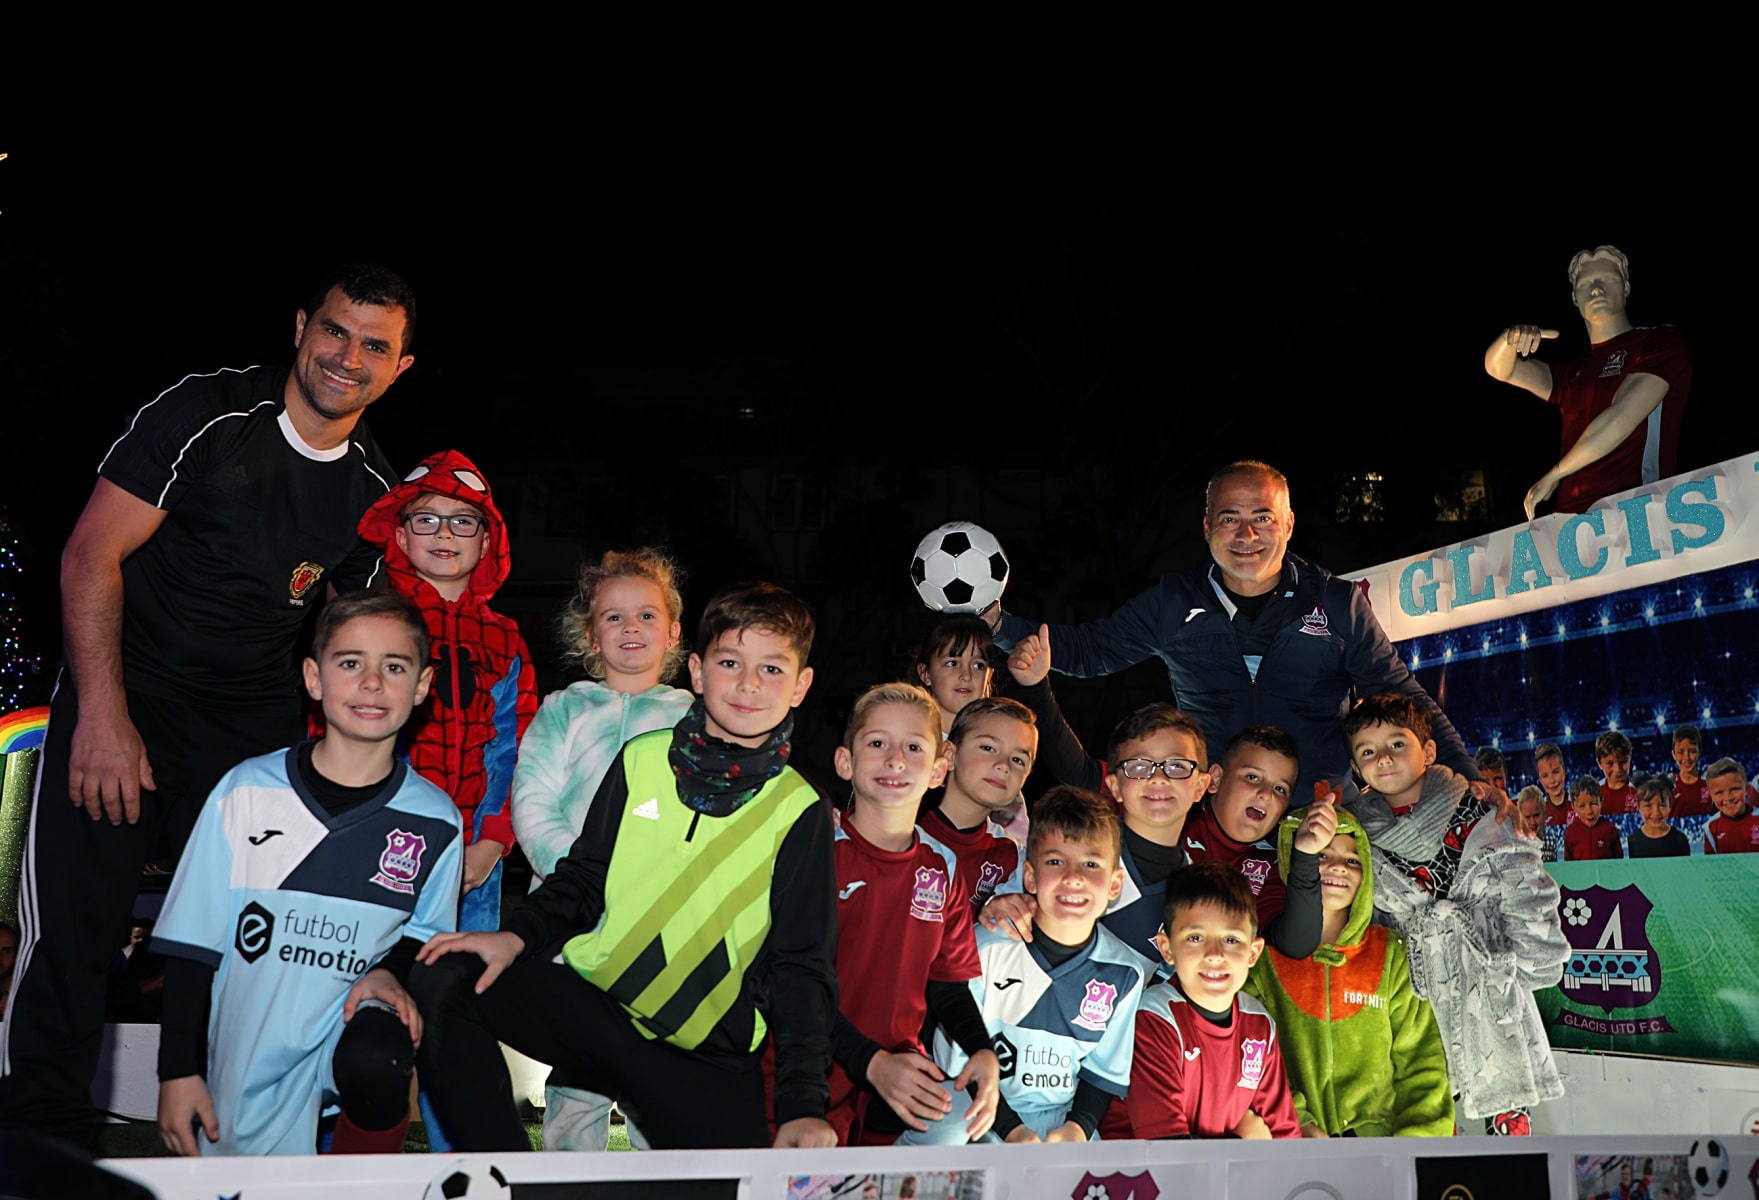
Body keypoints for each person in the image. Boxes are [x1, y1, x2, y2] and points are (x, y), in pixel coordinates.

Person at [0, 264, 414, 1144]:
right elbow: (88, 556)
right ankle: (38, 1147)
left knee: (246, 943)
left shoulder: (373, 492)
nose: (348, 357)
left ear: (398, 368)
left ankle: (238, 1137)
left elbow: (349, 641)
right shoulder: (207, 413)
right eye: (335, 331)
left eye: (374, 346)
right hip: (127, 695)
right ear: (300, 327)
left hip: (248, 734)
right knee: (75, 933)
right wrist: (103, 717)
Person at [407, 582, 838, 1151]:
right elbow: (585, 877)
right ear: (698, 672)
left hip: (701, 1054)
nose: (749, 683)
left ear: (801, 686)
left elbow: (802, 966)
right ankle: (509, 1177)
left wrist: (804, 1105)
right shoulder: (642, 758)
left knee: (719, 1188)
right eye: (730, 662)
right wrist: (513, 937)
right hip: (598, 1013)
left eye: (773, 669)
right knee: (444, 975)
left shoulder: (801, 808)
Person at [152, 591, 463, 1155]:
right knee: (237, 1176)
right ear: (314, 678)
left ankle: (360, 1185)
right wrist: (176, 1069)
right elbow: (191, 944)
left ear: (422, 686)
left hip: (351, 1019)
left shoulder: (436, 818)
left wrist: (388, 972)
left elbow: (424, 935)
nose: (372, 683)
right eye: (351, 663)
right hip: (255, 1034)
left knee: (379, 1057)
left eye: (395, 667)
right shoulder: (247, 791)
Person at [985, 461, 1477, 796]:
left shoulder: (1338, 604)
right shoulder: (1172, 603)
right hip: (1218, 824)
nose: (1247, 535)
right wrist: (1000, 624)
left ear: (1288, 524)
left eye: (1263, 518)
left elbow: (1408, 700)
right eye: (1229, 519)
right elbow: (1088, 650)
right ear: (1206, 527)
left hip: (1323, 821)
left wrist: (1471, 780)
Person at [508, 546, 694, 1151]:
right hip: (572, 920)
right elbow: (532, 799)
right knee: (578, 1066)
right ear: (590, 634)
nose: (630, 627)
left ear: (673, 633)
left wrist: (652, 886)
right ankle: (568, 1183)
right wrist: (578, 880)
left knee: (655, 1065)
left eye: (647, 615)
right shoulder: (564, 709)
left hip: (658, 919)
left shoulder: (694, 718)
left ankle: (664, 1183)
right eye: (613, 617)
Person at [1340, 695, 1568, 1136]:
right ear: (1355, 767)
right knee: (1429, 1099)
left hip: (1487, 979)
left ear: (1428, 751)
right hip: (1416, 987)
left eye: (1397, 744)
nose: (1383, 758)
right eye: (1368, 751)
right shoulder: (1357, 832)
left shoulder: (1483, 809)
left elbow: (1523, 883)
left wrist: (1535, 956)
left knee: (1504, 1104)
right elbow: (1367, 916)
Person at [899, 787, 1149, 1145]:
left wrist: (1077, 1129)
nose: (1073, 877)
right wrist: (1012, 1132)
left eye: (1091, 864)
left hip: (1060, 1123)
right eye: (1056, 862)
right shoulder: (985, 949)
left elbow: (1102, 1073)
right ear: (1030, 877)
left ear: (1115, 884)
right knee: (948, 1132)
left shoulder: (1124, 972)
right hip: (975, 1109)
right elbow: (962, 1066)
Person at [357, 450, 537, 932]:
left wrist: (493, 841)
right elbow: (339, 734)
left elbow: (516, 746)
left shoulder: (506, 638)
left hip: (472, 853)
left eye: (463, 521)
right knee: (370, 963)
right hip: (379, 837)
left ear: (486, 541)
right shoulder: (374, 622)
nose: (444, 533)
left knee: (461, 970)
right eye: (426, 519)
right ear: (401, 536)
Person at [817, 683, 999, 1145]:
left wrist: (981, 1049)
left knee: (956, 1120)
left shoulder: (942, 867)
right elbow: (790, 986)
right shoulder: (818, 854)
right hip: (810, 1072)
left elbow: (947, 983)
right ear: (845, 762)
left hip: (896, 1077)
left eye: (914, 747)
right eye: (877, 743)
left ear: (939, 770)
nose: (895, 760)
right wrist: (872, 1062)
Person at [1245, 806, 1452, 1138]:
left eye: (1353, 860)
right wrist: (1298, 1122)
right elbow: (1250, 1061)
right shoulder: (1261, 960)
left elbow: (1423, 1062)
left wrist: (1411, 1149)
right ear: (1293, 859)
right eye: (1322, 854)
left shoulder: (1393, 953)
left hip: (1385, 1149)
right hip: (1293, 1145)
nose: (1338, 866)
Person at [1483, 245, 1692, 518]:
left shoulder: (1659, 343)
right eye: (1585, 284)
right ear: (1574, 297)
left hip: (1636, 513)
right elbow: (1498, 368)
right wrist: (1509, 339)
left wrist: (1555, 473)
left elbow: (1619, 419)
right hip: (1572, 522)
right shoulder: (1572, 374)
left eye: (1608, 280)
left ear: (1626, 288)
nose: (1596, 290)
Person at [1124, 862, 1301, 1140]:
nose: (1215, 954)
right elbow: (1166, 1149)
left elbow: (1285, 1136)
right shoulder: (1155, 1018)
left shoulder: (1259, 1025)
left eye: (1231, 940)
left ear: (1253, 953)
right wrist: (1243, 1144)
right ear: (1167, 949)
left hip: (1225, 1166)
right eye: (1195, 938)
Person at [916, 697, 1037, 918]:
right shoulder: (900, 829)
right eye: (988, 748)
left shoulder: (1013, 859)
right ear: (950, 755)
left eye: (1018, 760)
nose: (1004, 766)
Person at [912, 615, 997, 737]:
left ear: (988, 676)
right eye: (952, 663)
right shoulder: (909, 739)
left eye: (978, 665)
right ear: (925, 674)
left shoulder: (999, 739)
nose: (966, 676)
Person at [1703, 759, 1759, 854]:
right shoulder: (1710, 827)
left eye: (1734, 789)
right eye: (1719, 792)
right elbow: (1710, 862)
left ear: (1747, 789)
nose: (1728, 797)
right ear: (1711, 795)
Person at [1628, 776, 1690, 859]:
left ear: (1670, 806)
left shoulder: (1680, 840)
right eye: (1648, 806)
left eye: (1662, 805)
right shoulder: (1632, 842)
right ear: (1638, 806)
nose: (1656, 812)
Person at [1565, 778, 1623, 862]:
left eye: (1594, 804)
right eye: (1582, 806)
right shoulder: (1570, 832)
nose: (1589, 811)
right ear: (1573, 807)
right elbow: (1568, 864)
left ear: (1601, 802)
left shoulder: (1610, 830)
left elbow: (1619, 862)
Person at [1669, 725, 1714, 818]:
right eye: (1681, 752)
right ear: (1673, 754)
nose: (1687, 757)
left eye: (1692, 751)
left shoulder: (1711, 784)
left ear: (1699, 751)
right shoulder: (1668, 788)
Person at [1596, 732, 1635, 816]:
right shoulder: (1593, 795)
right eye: (1610, 764)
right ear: (1599, 763)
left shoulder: (1641, 792)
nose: (1617, 770)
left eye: (1623, 762)